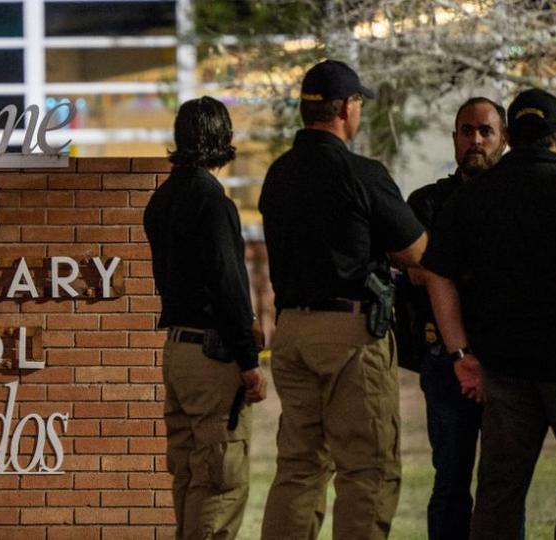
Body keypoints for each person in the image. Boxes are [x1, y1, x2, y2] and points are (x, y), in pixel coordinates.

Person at [258, 59, 427, 540]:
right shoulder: (361, 172)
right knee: (367, 469)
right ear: (347, 108)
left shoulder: (279, 175)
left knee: (298, 468)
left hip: (291, 331)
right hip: (349, 336)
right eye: (358, 104)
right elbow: (416, 250)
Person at [422, 88, 556, 540]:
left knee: (499, 494)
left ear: (508, 136)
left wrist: (459, 351)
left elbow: (437, 274)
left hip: (503, 371)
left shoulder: (474, 197)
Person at [144, 96, 267, 540]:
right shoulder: (213, 202)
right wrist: (250, 361)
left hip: (177, 348)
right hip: (214, 357)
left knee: (189, 475)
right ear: (224, 140)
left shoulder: (162, 200)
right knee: (219, 482)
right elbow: (228, 286)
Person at [405, 97, 507, 540]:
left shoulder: (516, 200)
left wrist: (447, 269)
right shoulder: (428, 203)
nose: (476, 141)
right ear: (454, 138)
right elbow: (414, 271)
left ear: (503, 138)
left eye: (486, 131)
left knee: (504, 487)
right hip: (446, 361)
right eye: (467, 131)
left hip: (508, 361)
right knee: (449, 482)